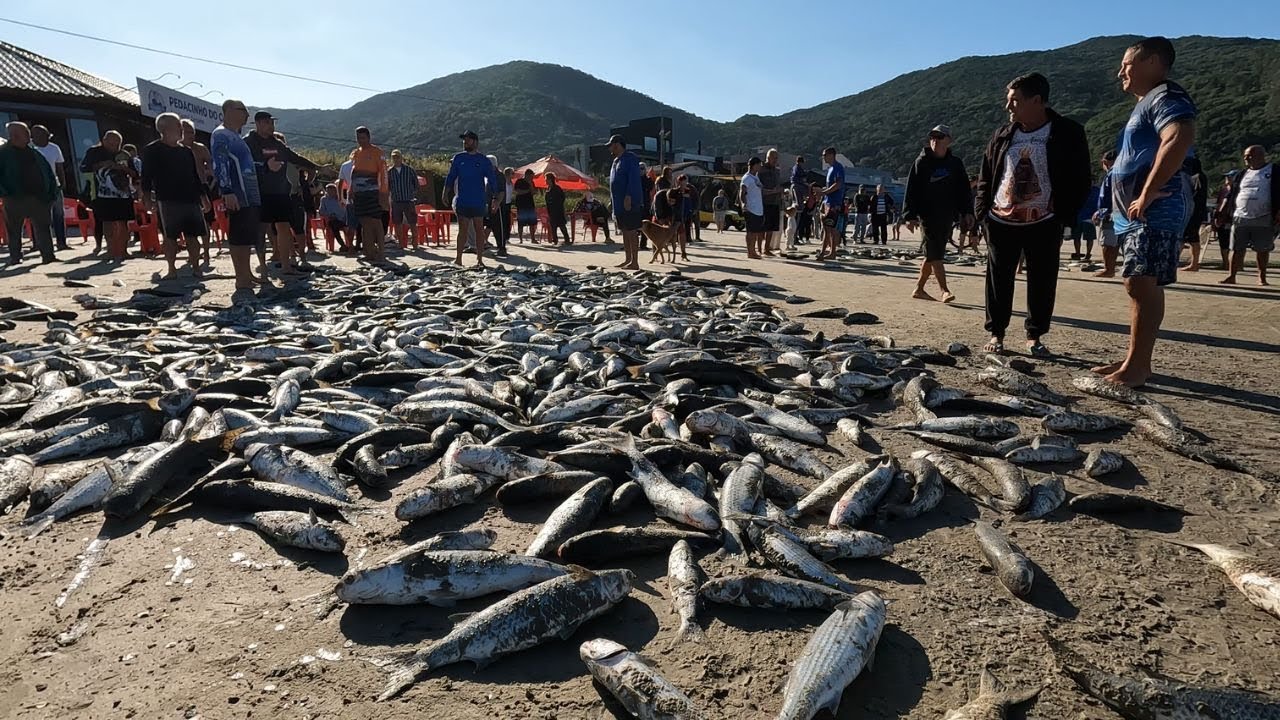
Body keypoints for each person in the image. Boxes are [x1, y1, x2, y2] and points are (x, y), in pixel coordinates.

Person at [1089, 37, 1196, 387]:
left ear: (1153, 62)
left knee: (1140, 281)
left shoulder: (1166, 96)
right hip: (1135, 213)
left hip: (1156, 208)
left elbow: (1179, 136)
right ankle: (1135, 358)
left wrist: (1147, 192)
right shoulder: (1146, 102)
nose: (1121, 71)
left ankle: (1139, 365)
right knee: (1138, 283)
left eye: (1127, 64)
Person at [974, 71, 1091, 358]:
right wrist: (982, 213)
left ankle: (1034, 334)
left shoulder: (1067, 132)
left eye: (1014, 101)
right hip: (1001, 219)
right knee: (998, 278)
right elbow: (986, 175)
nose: (1008, 107)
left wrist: (1064, 214)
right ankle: (996, 332)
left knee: (1042, 278)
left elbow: (1081, 178)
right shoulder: (1003, 134)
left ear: (1037, 100)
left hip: (1044, 220)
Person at [903, 124, 971, 303]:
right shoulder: (922, 162)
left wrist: (967, 212)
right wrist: (909, 215)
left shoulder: (955, 164)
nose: (935, 140)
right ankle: (945, 290)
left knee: (932, 253)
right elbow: (912, 189)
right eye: (932, 137)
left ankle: (919, 289)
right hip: (927, 215)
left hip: (947, 215)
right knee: (935, 253)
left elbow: (963, 189)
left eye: (939, 137)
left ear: (948, 141)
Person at [244, 111, 316, 276]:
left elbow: (294, 157)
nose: (272, 127)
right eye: (268, 123)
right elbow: (246, 165)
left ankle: (286, 266)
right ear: (259, 123)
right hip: (260, 192)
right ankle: (262, 267)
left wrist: (316, 167)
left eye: (273, 123)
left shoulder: (277, 144)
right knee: (261, 229)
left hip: (281, 192)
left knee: (284, 226)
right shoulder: (248, 142)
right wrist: (265, 165)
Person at [140, 112, 209, 279]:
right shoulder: (152, 150)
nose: (181, 129)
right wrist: (147, 198)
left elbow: (194, 176)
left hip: (191, 199)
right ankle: (171, 269)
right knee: (170, 236)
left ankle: (196, 267)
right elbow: (146, 176)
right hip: (168, 199)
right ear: (165, 128)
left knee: (193, 236)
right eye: (178, 125)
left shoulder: (186, 151)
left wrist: (204, 197)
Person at [210, 99, 263, 292]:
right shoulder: (221, 134)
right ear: (229, 110)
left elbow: (247, 164)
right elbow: (220, 162)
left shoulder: (236, 136)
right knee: (239, 235)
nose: (247, 115)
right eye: (243, 111)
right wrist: (227, 190)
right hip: (237, 191)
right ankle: (241, 278)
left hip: (249, 192)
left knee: (247, 235)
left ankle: (246, 273)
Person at [0, 121, 58, 266]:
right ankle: (16, 256)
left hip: (39, 197)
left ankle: (48, 255)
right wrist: (5, 192)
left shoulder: (33, 151)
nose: (29, 136)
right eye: (26, 133)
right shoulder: (3, 153)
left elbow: (48, 172)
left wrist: (52, 192)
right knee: (14, 229)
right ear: (14, 136)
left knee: (43, 227)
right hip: (14, 197)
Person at [1221, 146, 1278, 285]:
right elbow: (1232, 193)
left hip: (1263, 215)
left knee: (1262, 249)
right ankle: (1232, 275)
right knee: (1235, 248)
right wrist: (1222, 212)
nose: (1246, 158)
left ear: (1261, 155)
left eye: (1249, 155)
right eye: (1245, 156)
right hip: (1240, 215)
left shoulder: (1274, 170)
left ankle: (1262, 277)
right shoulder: (1242, 173)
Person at [443, 130, 499, 267]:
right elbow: (451, 177)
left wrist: (495, 197)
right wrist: (445, 192)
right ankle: (458, 259)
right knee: (462, 229)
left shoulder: (483, 160)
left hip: (478, 200)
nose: (465, 142)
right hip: (462, 199)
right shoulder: (458, 158)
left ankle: (480, 259)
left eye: (467, 140)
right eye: (464, 140)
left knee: (479, 229)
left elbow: (492, 179)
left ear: (475, 142)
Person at [80, 130, 136, 261]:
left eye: (117, 144)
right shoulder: (94, 152)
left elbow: (135, 173)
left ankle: (123, 250)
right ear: (104, 141)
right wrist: (102, 165)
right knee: (107, 222)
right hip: (103, 194)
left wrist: (121, 168)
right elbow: (84, 168)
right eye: (111, 144)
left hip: (123, 194)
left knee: (123, 222)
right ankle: (110, 249)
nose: (114, 147)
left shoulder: (124, 155)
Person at [346, 127, 389, 264]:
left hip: (373, 192)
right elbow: (354, 173)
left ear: (368, 137)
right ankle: (368, 252)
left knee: (376, 222)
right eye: (358, 138)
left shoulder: (378, 152)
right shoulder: (356, 153)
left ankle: (381, 252)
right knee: (364, 223)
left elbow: (383, 173)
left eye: (363, 138)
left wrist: (383, 193)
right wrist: (351, 190)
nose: (361, 141)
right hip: (359, 193)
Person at [608, 134, 643, 270]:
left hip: (628, 202)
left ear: (617, 144)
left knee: (631, 230)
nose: (610, 148)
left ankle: (635, 261)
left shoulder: (630, 159)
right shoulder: (616, 161)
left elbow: (633, 179)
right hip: (617, 204)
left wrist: (628, 196)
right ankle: (628, 259)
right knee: (624, 230)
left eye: (611, 145)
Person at [30, 125, 68, 251]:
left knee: (58, 214)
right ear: (34, 136)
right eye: (42, 136)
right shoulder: (29, 148)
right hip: (36, 187)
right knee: (38, 216)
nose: (46, 138)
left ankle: (61, 242)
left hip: (54, 186)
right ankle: (38, 243)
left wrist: (62, 182)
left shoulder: (54, 148)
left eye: (47, 136)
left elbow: (59, 167)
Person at [182, 119, 215, 263]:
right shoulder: (176, 150)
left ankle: (206, 253)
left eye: (192, 132)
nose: (190, 135)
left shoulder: (200, 148)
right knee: (188, 225)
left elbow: (212, 165)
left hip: (202, 186)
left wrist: (208, 172)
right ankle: (193, 254)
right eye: (187, 132)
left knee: (205, 223)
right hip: (184, 190)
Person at [1092, 150, 1120, 277]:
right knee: (1115, 242)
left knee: (1108, 243)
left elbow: (1107, 196)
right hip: (1119, 212)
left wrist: (1101, 212)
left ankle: (1109, 269)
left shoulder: (1112, 173)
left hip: (1110, 212)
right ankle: (1110, 268)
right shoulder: (1124, 171)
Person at [816, 147, 845, 260]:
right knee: (828, 228)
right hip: (827, 201)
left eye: (825, 155)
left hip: (834, 202)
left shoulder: (838, 168)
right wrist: (821, 192)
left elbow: (838, 184)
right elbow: (829, 186)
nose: (823, 157)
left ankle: (826, 252)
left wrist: (824, 192)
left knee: (829, 228)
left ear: (831, 155)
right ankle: (830, 251)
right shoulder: (830, 169)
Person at [387, 150, 419, 248]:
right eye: (394, 157)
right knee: (397, 223)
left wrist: (412, 193)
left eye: (397, 157)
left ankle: (415, 243)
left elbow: (416, 184)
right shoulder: (390, 172)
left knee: (413, 222)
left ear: (401, 158)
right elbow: (387, 186)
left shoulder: (409, 170)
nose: (396, 159)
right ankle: (401, 243)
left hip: (408, 200)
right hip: (396, 201)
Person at [740, 156, 766, 259]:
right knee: (751, 231)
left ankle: (752, 250)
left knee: (755, 231)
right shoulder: (747, 178)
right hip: (751, 208)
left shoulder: (756, 177)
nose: (760, 167)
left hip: (758, 208)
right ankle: (750, 251)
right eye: (759, 165)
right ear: (754, 165)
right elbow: (742, 191)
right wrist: (743, 204)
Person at [1210, 172, 1235, 271]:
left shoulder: (1237, 191)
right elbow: (1219, 204)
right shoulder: (1223, 190)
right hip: (1221, 220)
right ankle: (1225, 263)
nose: (1227, 178)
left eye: (1230, 177)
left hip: (1232, 219)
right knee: (1223, 243)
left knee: (1233, 244)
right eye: (1226, 176)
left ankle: (1234, 265)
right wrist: (1215, 218)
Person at [760, 149, 783, 254]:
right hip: (764, 202)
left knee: (771, 227)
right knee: (762, 227)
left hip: (775, 202)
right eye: (774, 158)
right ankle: (759, 248)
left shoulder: (777, 170)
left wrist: (780, 191)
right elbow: (758, 187)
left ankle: (767, 248)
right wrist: (771, 191)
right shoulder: (761, 170)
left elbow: (778, 184)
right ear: (768, 158)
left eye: (776, 158)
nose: (775, 160)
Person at [317, 183, 350, 251]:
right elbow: (321, 211)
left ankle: (350, 245)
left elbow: (345, 210)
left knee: (350, 227)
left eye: (332, 191)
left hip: (343, 219)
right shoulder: (324, 199)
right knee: (334, 226)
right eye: (328, 191)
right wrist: (329, 214)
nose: (330, 192)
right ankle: (342, 245)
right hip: (331, 219)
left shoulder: (340, 198)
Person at [544, 172, 570, 245]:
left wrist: (557, 205)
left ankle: (567, 239)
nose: (545, 181)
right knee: (553, 225)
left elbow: (562, 198)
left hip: (558, 210)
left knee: (561, 224)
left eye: (546, 179)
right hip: (551, 210)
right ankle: (555, 239)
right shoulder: (548, 189)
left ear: (550, 179)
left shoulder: (557, 188)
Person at [513, 169, 538, 242]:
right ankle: (520, 239)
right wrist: (527, 191)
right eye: (531, 176)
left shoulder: (531, 182)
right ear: (527, 175)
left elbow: (533, 192)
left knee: (532, 223)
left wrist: (531, 185)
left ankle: (533, 239)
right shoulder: (519, 181)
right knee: (521, 222)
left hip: (530, 205)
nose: (532, 178)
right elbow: (517, 191)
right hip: (521, 205)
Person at [790, 155, 808, 221]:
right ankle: (798, 217)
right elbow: (801, 177)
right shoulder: (798, 168)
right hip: (797, 186)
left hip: (794, 185)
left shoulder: (794, 167)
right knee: (799, 204)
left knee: (795, 202)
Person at [783, 183, 800, 251]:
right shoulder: (790, 216)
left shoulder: (791, 200)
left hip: (792, 224)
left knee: (792, 235)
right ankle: (787, 246)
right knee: (789, 235)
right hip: (790, 224)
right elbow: (788, 210)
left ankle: (792, 245)